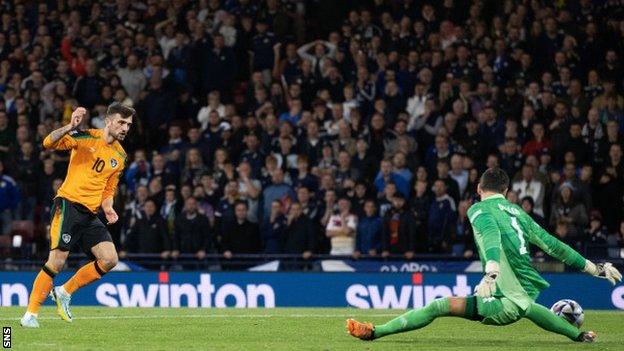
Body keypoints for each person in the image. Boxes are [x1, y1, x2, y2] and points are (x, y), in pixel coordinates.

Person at [347, 167, 621, 343]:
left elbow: (491, 235)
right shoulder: (519, 213)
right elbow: (553, 245)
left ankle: (375, 332)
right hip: (517, 295)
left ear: (478, 188)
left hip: (501, 299)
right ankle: (579, 335)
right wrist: (594, 268)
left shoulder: (478, 209)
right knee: (527, 308)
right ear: (506, 192)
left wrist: (491, 271)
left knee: (437, 306)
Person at [22, 103, 135, 328]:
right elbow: (48, 143)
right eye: (121, 122)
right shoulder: (85, 137)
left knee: (110, 259)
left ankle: (64, 291)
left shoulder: (120, 156)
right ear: (108, 121)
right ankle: (30, 315)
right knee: (57, 262)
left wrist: (108, 207)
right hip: (68, 205)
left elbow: (108, 188)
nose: (125, 128)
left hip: (90, 213)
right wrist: (68, 126)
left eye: (128, 125)